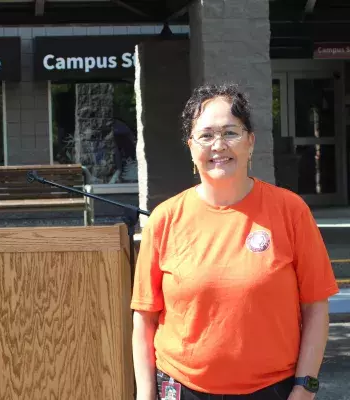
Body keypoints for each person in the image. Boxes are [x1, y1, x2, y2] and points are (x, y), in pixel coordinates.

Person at [131, 83, 339, 400]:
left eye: (231, 132)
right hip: (182, 389)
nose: (219, 145)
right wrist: (145, 396)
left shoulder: (290, 211)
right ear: (190, 146)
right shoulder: (165, 218)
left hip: (272, 390)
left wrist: (304, 387)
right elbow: (144, 318)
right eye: (206, 135)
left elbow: (315, 307)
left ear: (250, 142)